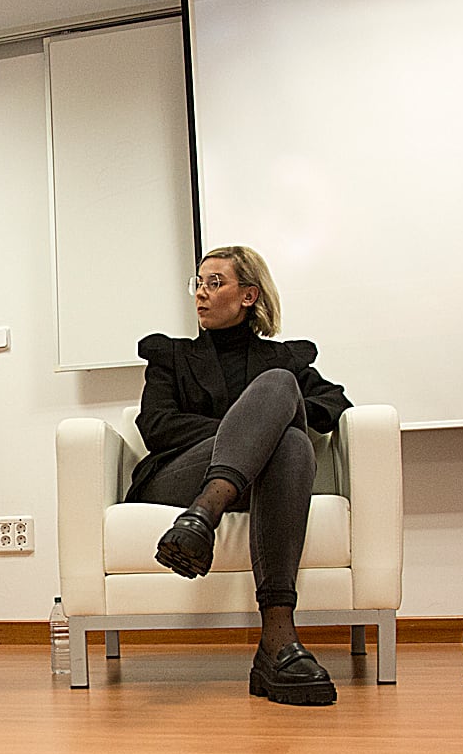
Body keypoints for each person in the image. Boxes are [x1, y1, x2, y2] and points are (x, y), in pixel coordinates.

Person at [128, 246, 353, 706]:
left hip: (243, 495)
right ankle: (277, 642)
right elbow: (156, 426)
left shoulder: (285, 361)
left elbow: (334, 405)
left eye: (216, 283)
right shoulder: (171, 356)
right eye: (199, 283)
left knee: (287, 429)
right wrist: (248, 431)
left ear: (249, 295)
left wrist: (265, 424)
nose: (201, 295)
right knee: (281, 433)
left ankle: (273, 638)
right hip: (178, 480)